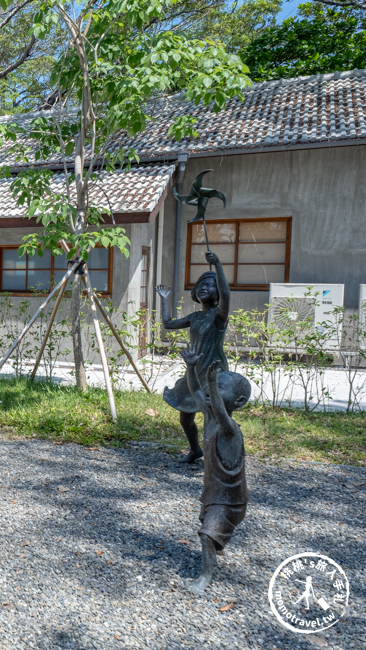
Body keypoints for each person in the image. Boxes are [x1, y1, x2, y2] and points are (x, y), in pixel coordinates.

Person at [181, 350, 250, 594]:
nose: (211, 390)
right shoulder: (210, 417)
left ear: (238, 402)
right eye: (214, 384)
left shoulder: (230, 429)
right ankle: (216, 547)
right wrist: (191, 368)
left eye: (220, 387)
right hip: (213, 495)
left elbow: (222, 412)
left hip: (230, 500)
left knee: (206, 535)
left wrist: (211, 379)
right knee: (209, 530)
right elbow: (196, 393)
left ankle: (205, 577)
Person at [156, 250, 231, 463]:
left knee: (213, 418)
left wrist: (217, 264)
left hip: (213, 373)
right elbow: (168, 324)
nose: (204, 289)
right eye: (201, 286)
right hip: (194, 371)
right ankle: (195, 450)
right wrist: (164, 299)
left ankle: (216, 457)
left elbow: (227, 296)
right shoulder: (196, 316)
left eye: (210, 286)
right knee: (185, 419)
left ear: (217, 292)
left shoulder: (219, 316)